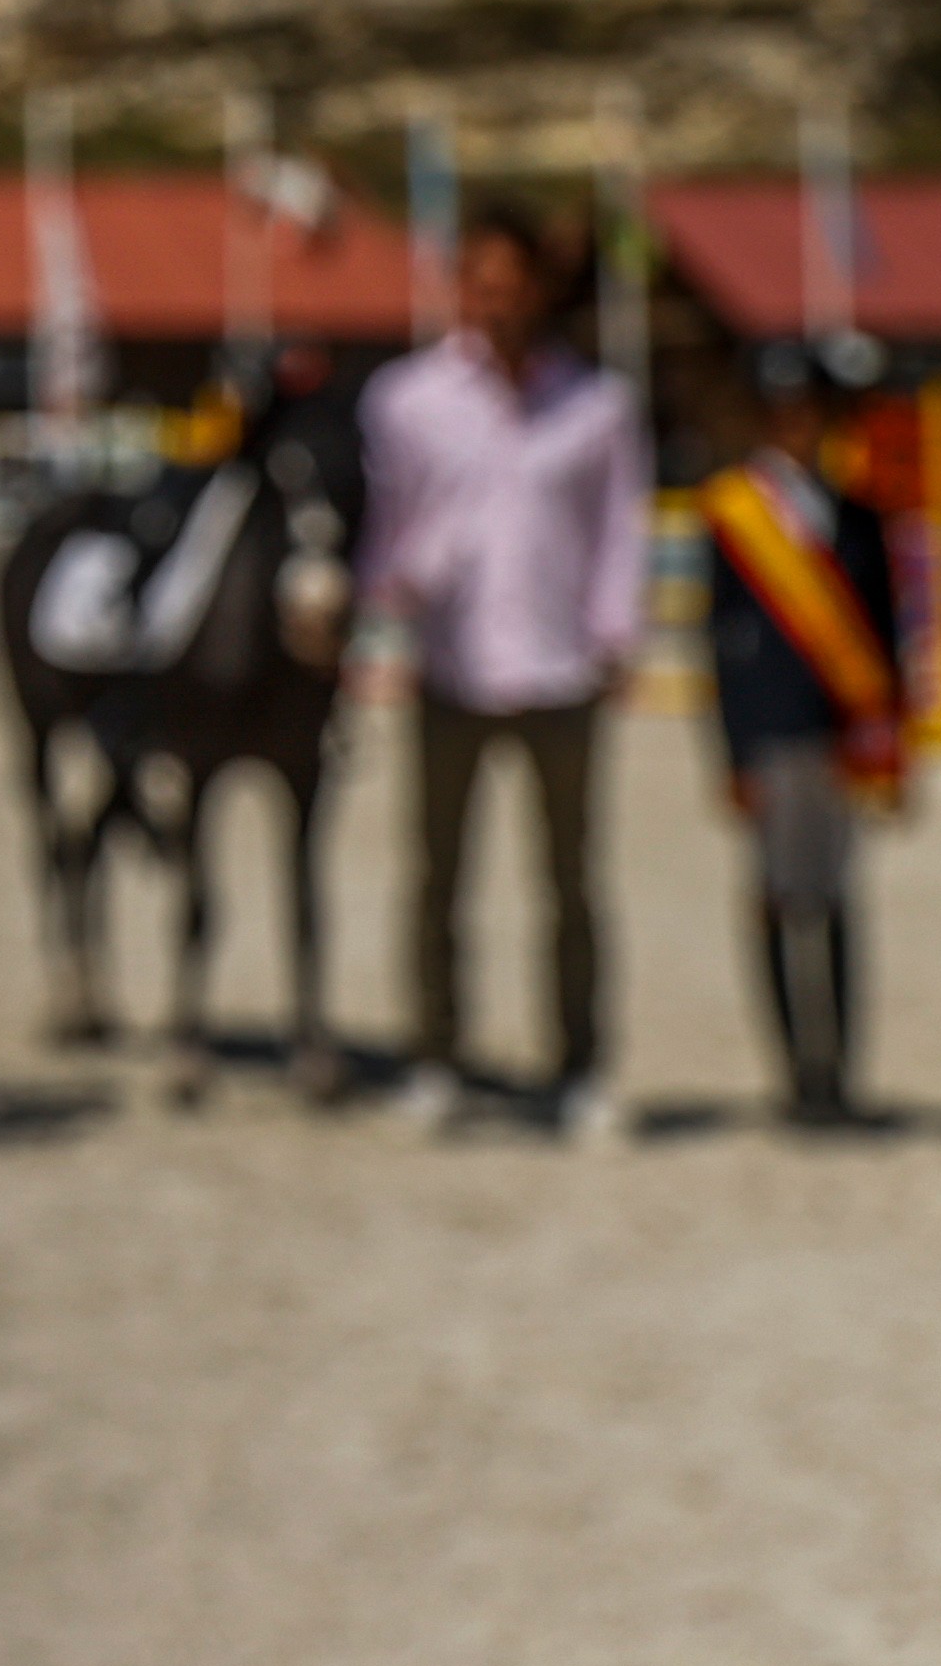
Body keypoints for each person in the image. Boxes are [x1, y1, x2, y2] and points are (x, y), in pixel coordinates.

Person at [360, 200, 649, 1143]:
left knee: (571, 881)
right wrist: (386, 603)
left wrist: (619, 634)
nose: (494, 302)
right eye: (477, 285)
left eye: (510, 285)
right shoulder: (407, 401)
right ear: (459, 290)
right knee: (438, 875)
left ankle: (579, 1065)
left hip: (563, 671)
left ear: (538, 289)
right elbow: (383, 533)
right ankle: (437, 1056)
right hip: (448, 668)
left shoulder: (597, 407)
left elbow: (620, 531)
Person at [698, 335, 908, 1126]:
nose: (794, 425)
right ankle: (793, 1073)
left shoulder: (860, 514)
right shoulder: (733, 514)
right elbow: (719, 648)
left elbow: (887, 638)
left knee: (839, 898)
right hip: (775, 733)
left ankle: (841, 1071)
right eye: (779, 412)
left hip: (841, 737)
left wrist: (892, 743)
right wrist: (735, 754)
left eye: (806, 411)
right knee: (778, 899)